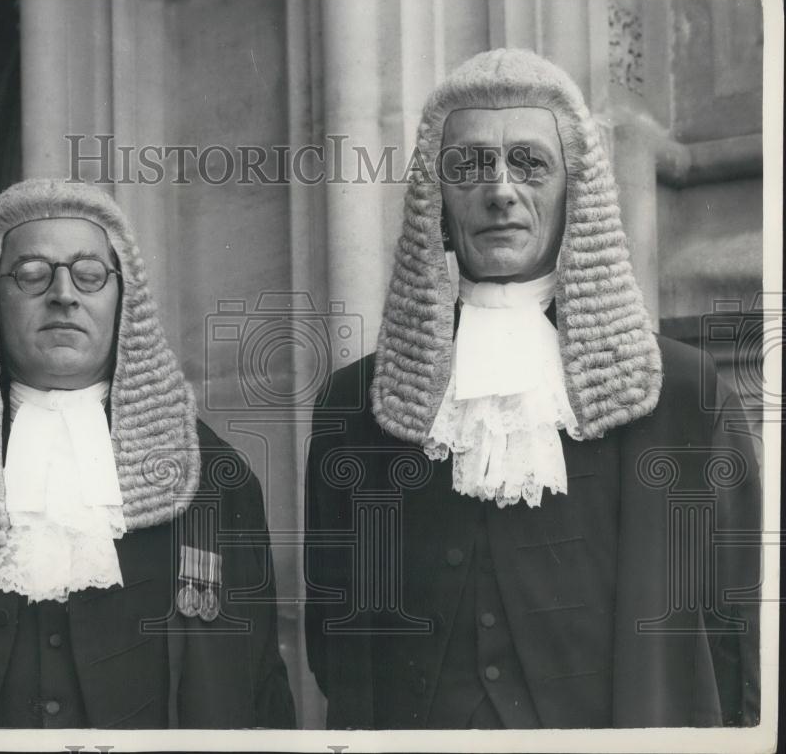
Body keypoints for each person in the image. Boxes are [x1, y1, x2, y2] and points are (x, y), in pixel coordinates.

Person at [304, 48, 761, 729]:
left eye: (529, 162)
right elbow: (333, 639)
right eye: (469, 165)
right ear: (437, 195)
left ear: (576, 187)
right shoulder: (357, 402)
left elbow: (736, 644)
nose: (500, 190)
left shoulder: (684, 398)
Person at [0, 178, 296, 729]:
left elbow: (258, 692)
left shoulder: (214, 477)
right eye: (32, 274)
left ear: (123, 298)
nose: (64, 294)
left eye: (89, 274)